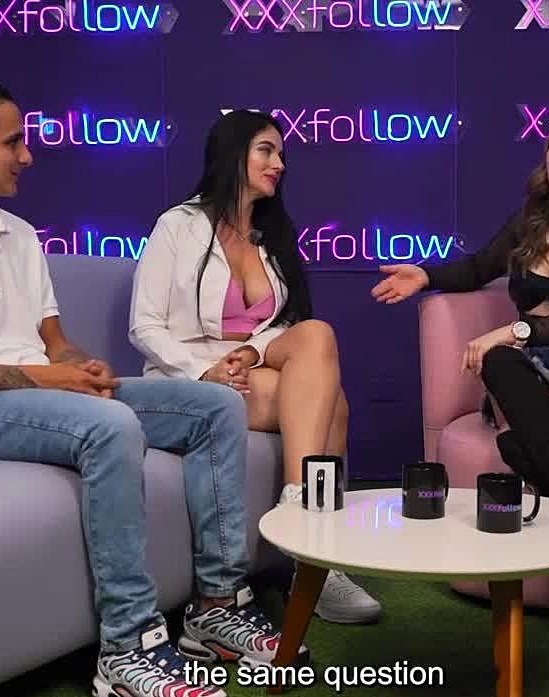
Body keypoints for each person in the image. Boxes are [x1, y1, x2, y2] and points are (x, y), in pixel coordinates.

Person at [0, 78, 300, 697]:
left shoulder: (20, 234)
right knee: (109, 426)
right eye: (13, 142)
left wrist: (78, 367)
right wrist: (47, 379)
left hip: (32, 394)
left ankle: (216, 604)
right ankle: (126, 647)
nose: (27, 154)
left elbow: (53, 344)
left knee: (215, 407)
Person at [370, 102, 549, 642]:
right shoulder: (533, 221)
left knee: (516, 425)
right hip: (529, 373)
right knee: (513, 395)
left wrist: (514, 331)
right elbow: (479, 266)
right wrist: (426, 275)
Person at [128, 110, 382, 624]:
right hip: (187, 377)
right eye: (266, 150)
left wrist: (251, 352)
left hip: (252, 366)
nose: (279, 163)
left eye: (282, 154)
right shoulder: (177, 225)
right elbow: (144, 325)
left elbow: (282, 323)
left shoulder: (272, 235)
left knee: (316, 333)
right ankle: (315, 558)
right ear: (233, 154)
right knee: (334, 406)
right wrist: (203, 370)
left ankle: (298, 506)